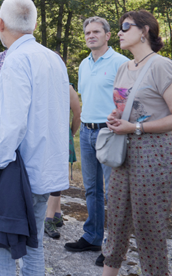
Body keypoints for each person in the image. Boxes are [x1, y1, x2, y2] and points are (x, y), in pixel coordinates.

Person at [0, 0, 69, 275]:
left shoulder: (15, 60)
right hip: (47, 169)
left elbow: (12, 125)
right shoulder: (53, 58)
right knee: (34, 244)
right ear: (34, 23)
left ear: (1, 24)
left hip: (18, 175)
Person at [101, 10, 172, 275]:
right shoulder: (123, 67)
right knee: (116, 222)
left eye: (125, 27)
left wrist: (137, 127)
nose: (119, 32)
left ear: (144, 31)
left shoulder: (161, 65)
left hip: (154, 155)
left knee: (149, 227)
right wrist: (115, 117)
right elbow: (123, 108)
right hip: (122, 154)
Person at [64, 17, 128, 266]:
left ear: (108, 35)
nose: (91, 35)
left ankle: (113, 248)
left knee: (114, 194)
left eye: (96, 32)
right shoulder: (83, 64)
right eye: (87, 32)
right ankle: (92, 236)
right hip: (87, 132)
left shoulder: (120, 62)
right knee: (92, 190)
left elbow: (125, 99)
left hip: (110, 133)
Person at [43, 55, 82, 239]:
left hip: (60, 135)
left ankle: (48, 219)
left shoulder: (67, 88)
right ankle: (57, 214)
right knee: (52, 173)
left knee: (57, 174)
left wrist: (71, 133)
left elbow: (77, 114)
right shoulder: (41, 85)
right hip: (44, 135)